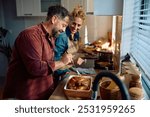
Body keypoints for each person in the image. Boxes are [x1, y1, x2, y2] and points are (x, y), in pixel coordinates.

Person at [2, 5, 73, 100]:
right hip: (25, 97)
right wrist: (62, 62)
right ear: (54, 19)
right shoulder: (30, 35)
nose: (64, 30)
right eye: (63, 25)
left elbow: (47, 64)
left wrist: (63, 66)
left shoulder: (51, 36)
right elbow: (36, 68)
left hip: (43, 93)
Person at [54, 6, 86, 83]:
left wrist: (76, 59)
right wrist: (65, 72)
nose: (75, 27)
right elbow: (55, 60)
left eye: (79, 25)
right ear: (69, 21)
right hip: (60, 73)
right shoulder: (62, 36)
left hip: (69, 69)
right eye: (73, 23)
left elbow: (70, 52)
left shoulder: (76, 34)